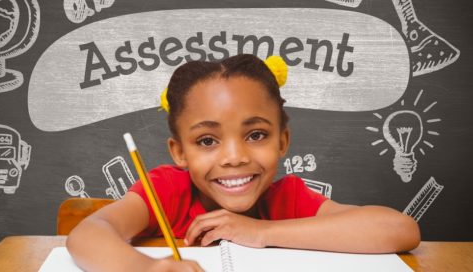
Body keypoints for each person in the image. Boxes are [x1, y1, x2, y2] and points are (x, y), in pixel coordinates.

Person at [67, 54, 420, 271]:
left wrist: (259, 231)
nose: (235, 157)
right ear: (179, 153)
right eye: (207, 141)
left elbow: (400, 230)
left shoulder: (288, 199)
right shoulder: (166, 190)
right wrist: (144, 270)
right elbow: (88, 234)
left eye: (256, 135)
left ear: (283, 141)